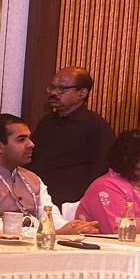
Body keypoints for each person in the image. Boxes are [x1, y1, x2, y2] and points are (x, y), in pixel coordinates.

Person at [0, 114, 100, 235]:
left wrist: (76, 227)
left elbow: (51, 218)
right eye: (21, 139)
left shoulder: (33, 179)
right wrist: (55, 233)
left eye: (29, 138)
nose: (31, 144)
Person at [27, 66, 115, 205]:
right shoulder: (47, 121)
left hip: (72, 203)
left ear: (82, 93)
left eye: (62, 89)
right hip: (37, 197)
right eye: (52, 87)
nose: (54, 93)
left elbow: (101, 170)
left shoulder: (96, 125)